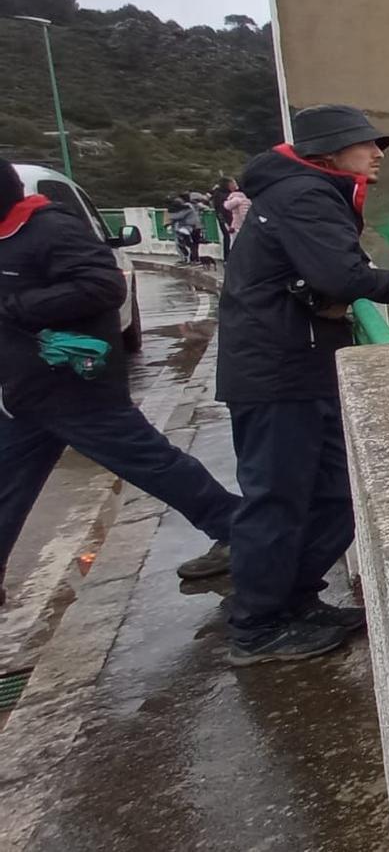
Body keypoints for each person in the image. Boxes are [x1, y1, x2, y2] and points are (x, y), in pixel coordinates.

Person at [217, 105, 389, 665]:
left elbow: (317, 275)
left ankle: (293, 602)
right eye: (364, 144)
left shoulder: (298, 194)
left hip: (295, 366)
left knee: (333, 494)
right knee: (278, 500)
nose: (377, 153)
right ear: (329, 154)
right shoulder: (305, 197)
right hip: (278, 373)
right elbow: (340, 276)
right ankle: (259, 626)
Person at [0, 159, 239, 609]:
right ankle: (237, 528)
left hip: (75, 386)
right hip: (24, 390)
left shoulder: (51, 230)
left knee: (151, 464)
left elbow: (104, 286)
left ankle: (242, 531)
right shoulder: (8, 236)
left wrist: (19, 305)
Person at [210, 176, 240, 259]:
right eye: (234, 183)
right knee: (229, 239)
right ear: (229, 184)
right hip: (228, 221)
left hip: (226, 220)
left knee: (228, 239)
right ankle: (229, 258)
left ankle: (228, 258)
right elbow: (224, 210)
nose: (235, 185)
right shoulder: (223, 196)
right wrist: (230, 222)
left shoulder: (219, 194)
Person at [168, 197, 203, 265]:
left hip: (194, 228)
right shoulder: (187, 207)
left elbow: (178, 216)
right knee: (192, 245)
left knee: (192, 245)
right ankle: (192, 259)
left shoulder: (186, 209)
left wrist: (170, 216)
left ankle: (194, 259)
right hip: (194, 227)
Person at [222, 181, 250, 253]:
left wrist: (227, 201)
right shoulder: (247, 199)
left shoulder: (235, 199)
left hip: (236, 225)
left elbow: (227, 206)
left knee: (234, 244)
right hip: (246, 225)